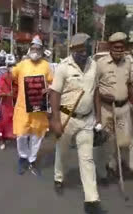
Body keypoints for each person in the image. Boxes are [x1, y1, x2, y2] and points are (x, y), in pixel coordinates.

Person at [50, 33, 104, 214]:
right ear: (72, 50)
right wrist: (56, 120)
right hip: (67, 118)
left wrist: (99, 117)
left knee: (87, 159)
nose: (83, 54)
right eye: (79, 50)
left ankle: (92, 200)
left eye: (85, 50)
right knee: (62, 152)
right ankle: (58, 177)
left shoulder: (93, 65)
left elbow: (95, 91)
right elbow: (55, 94)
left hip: (87, 119)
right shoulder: (63, 67)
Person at [95, 32, 133, 183]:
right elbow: (95, 88)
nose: (119, 50)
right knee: (108, 140)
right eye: (116, 47)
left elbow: (130, 84)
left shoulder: (129, 62)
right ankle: (108, 168)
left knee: (124, 141)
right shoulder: (100, 63)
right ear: (111, 47)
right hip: (106, 109)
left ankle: (121, 165)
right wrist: (103, 98)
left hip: (123, 108)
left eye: (121, 47)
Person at [12, 36, 52, 176]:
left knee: (37, 135)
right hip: (23, 108)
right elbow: (10, 75)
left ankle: (32, 160)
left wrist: (49, 89)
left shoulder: (46, 66)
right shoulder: (22, 64)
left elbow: (52, 82)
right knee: (21, 135)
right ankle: (23, 158)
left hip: (38, 108)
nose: (35, 51)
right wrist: (9, 66)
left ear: (41, 50)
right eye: (33, 48)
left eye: (37, 49)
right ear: (30, 49)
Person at [0, 54, 17, 150]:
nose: (12, 67)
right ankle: (1, 139)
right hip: (6, 104)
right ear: (6, 66)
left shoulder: (18, 78)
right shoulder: (2, 78)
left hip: (16, 104)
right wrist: (8, 94)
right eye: (10, 65)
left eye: (13, 65)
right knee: (3, 122)